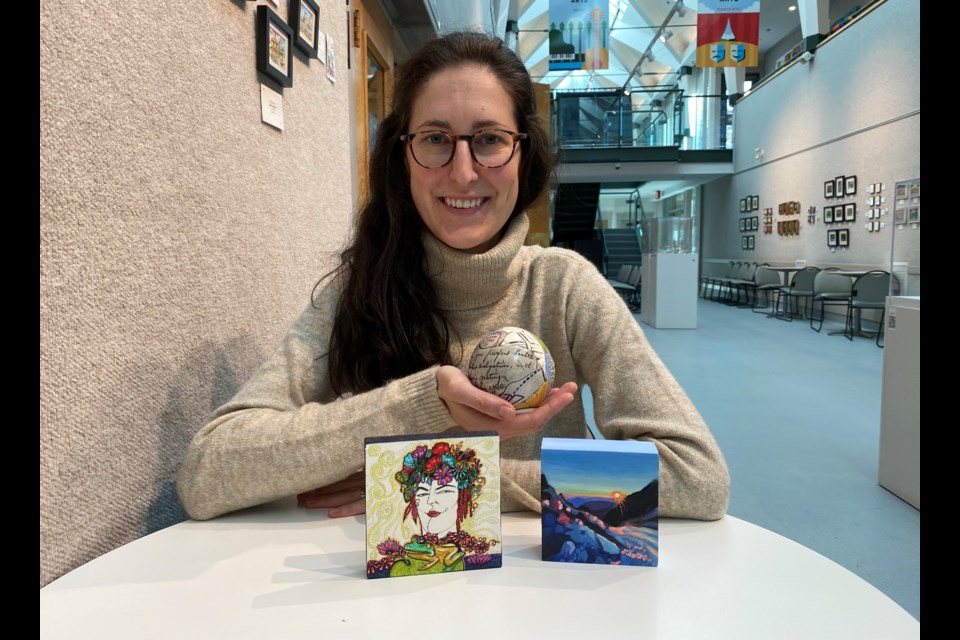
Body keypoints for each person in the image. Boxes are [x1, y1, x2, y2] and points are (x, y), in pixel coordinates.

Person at [177, 30, 729, 525]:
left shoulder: (564, 287)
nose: (463, 171)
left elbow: (698, 477)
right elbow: (208, 472)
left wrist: (426, 475)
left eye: (489, 139)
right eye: (436, 139)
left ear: (523, 154)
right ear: (402, 156)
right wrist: (421, 403)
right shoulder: (359, 290)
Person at [367, 439, 499, 577]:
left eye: (444, 491)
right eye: (422, 493)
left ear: (465, 496)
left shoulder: (478, 558)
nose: (430, 501)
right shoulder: (388, 564)